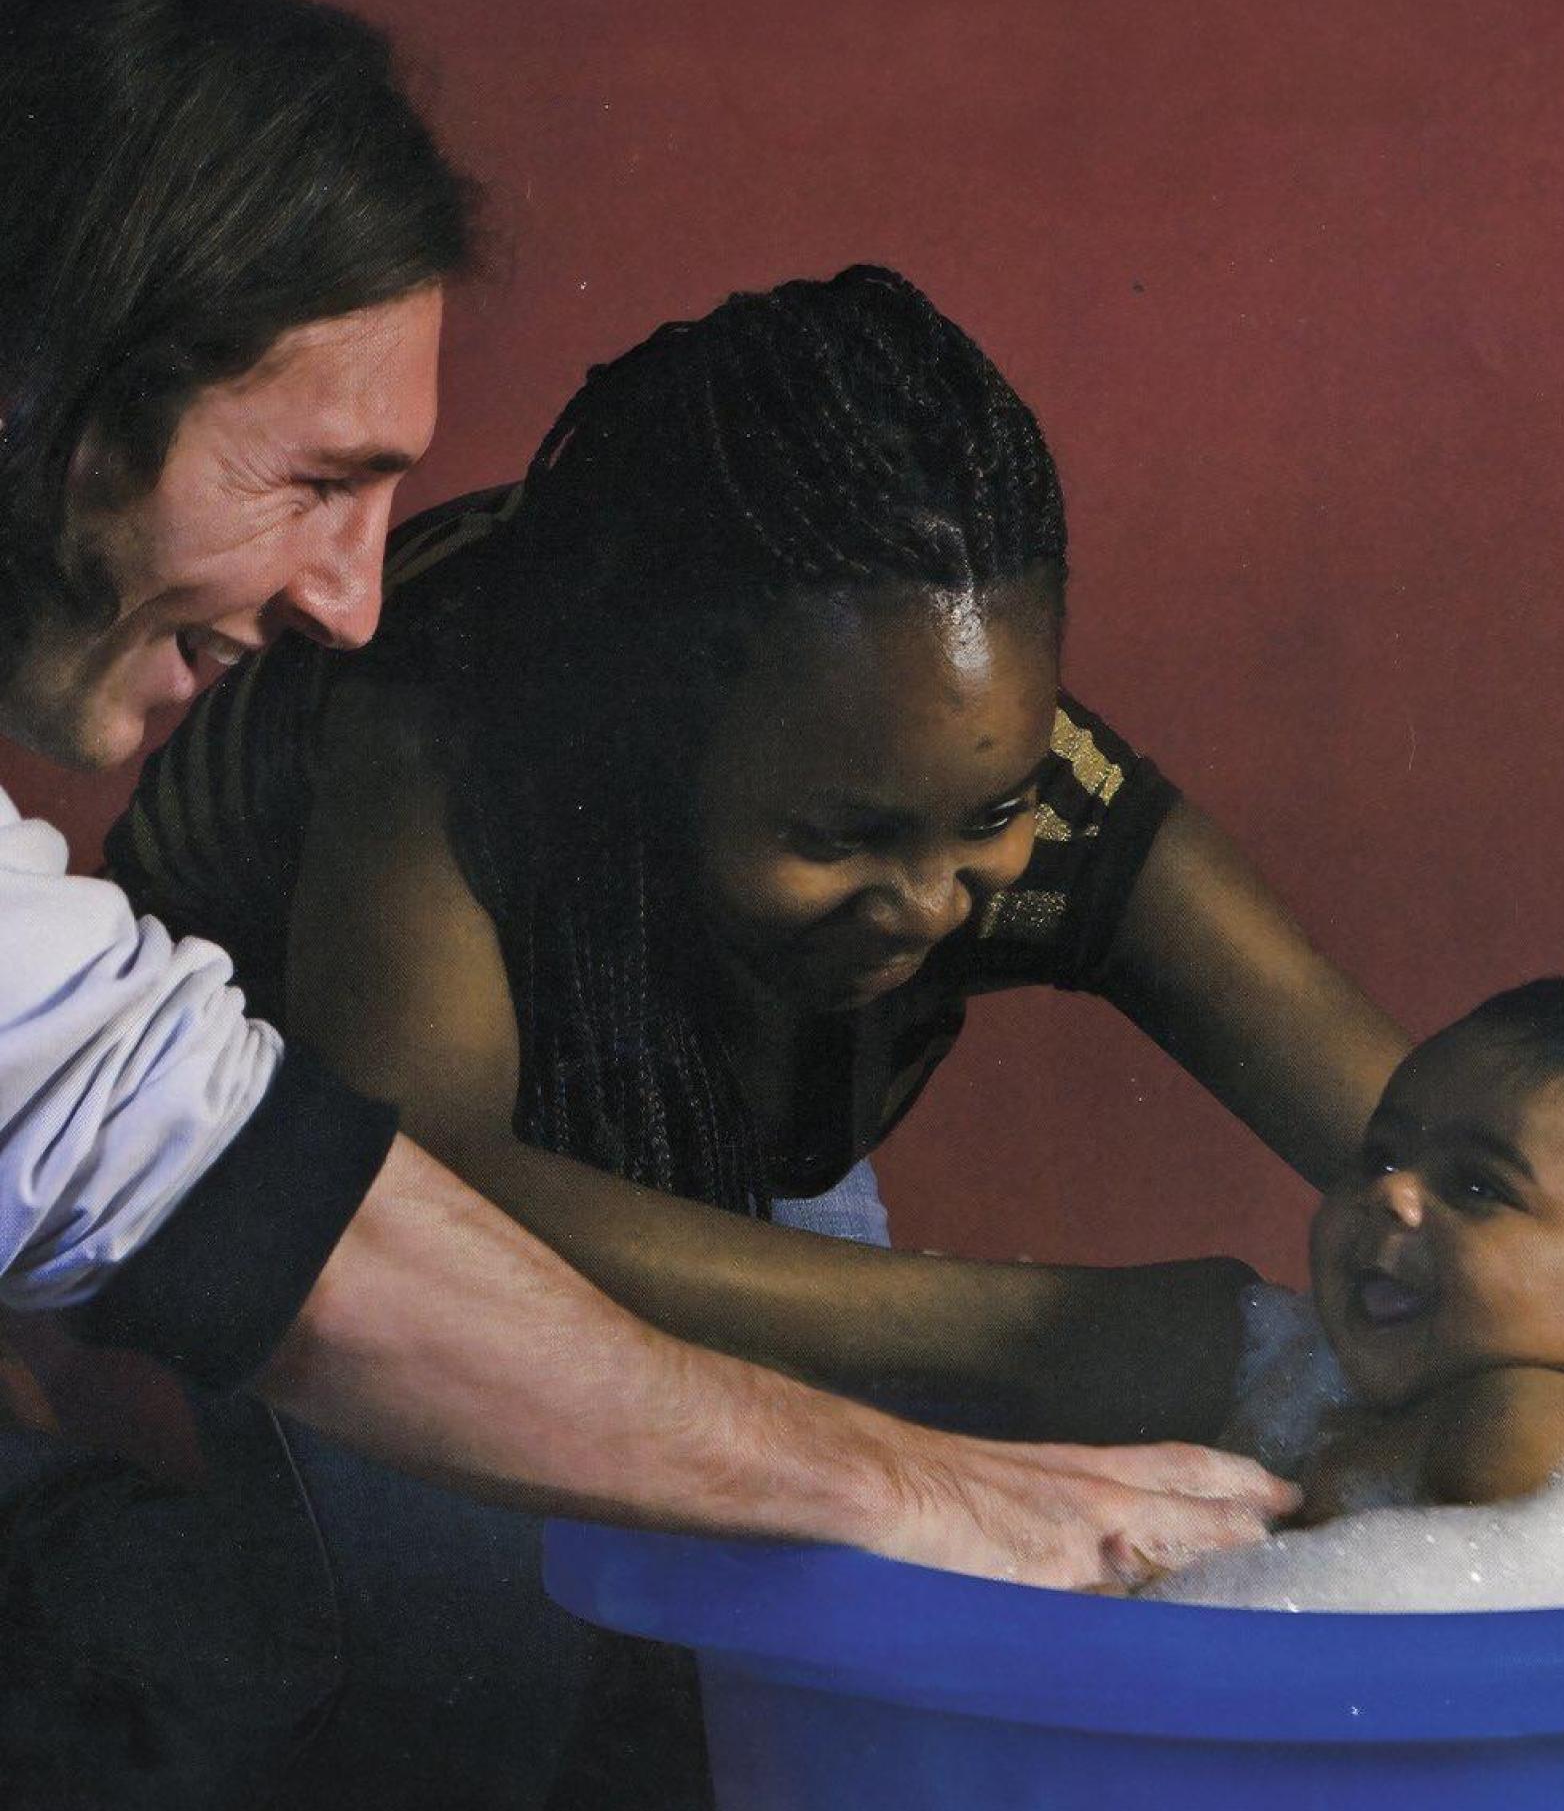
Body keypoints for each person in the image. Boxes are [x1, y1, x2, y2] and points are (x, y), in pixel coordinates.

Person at [0, 0, 1296, 1809]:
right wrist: (961, 1430)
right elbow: (265, 1190)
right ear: (51, 402)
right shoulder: (431, 731)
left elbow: (141, 1124)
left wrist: (916, 1468)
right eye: (310, 481)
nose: (350, 596)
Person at [107, 263, 1407, 1798]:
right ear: (655, 738)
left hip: (669, 1127)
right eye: (844, 832)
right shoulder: (439, 718)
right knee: (469, 1697)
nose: (932, 899)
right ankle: (64, 1560)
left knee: (787, 1656)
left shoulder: (972, 762)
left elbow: (1446, 1146)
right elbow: (417, 1191)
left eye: (991, 812)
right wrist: (1033, 1331)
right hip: (282, 1168)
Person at [1218, 974, 1564, 1526]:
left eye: (1479, 1187)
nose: (1392, 1191)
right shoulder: (1292, 1356)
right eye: (1382, 1155)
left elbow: (1521, 1439)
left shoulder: (1540, 1421)